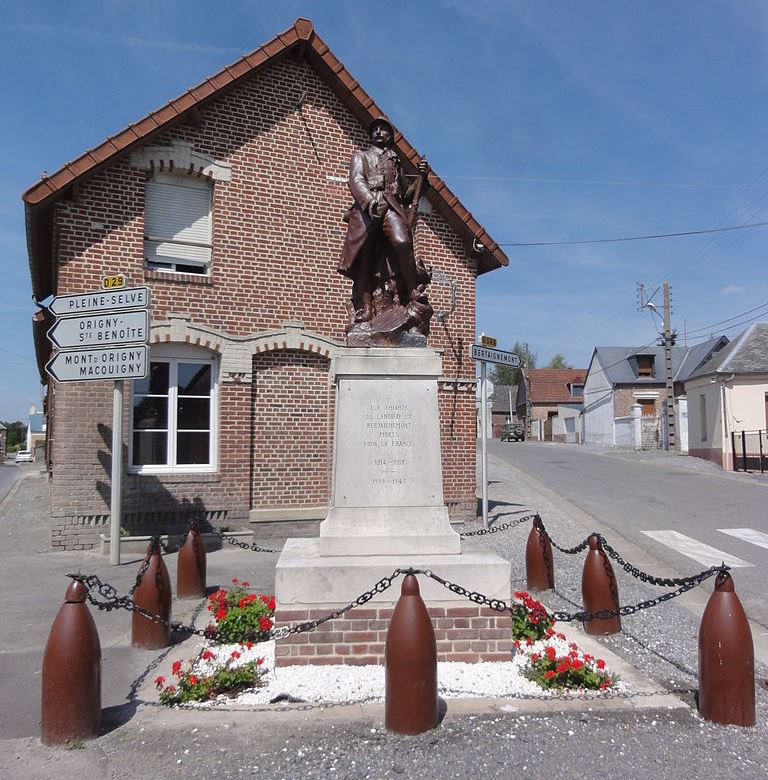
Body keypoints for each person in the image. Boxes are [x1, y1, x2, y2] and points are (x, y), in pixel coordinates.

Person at [339, 117, 430, 325]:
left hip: (391, 207)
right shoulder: (361, 156)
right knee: (366, 259)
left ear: (391, 136)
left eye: (383, 129)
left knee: (403, 242)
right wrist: (369, 200)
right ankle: (366, 308)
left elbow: (407, 194)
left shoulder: (395, 162)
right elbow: (356, 180)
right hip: (369, 209)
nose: (378, 132)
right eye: (375, 129)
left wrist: (422, 179)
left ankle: (411, 290)